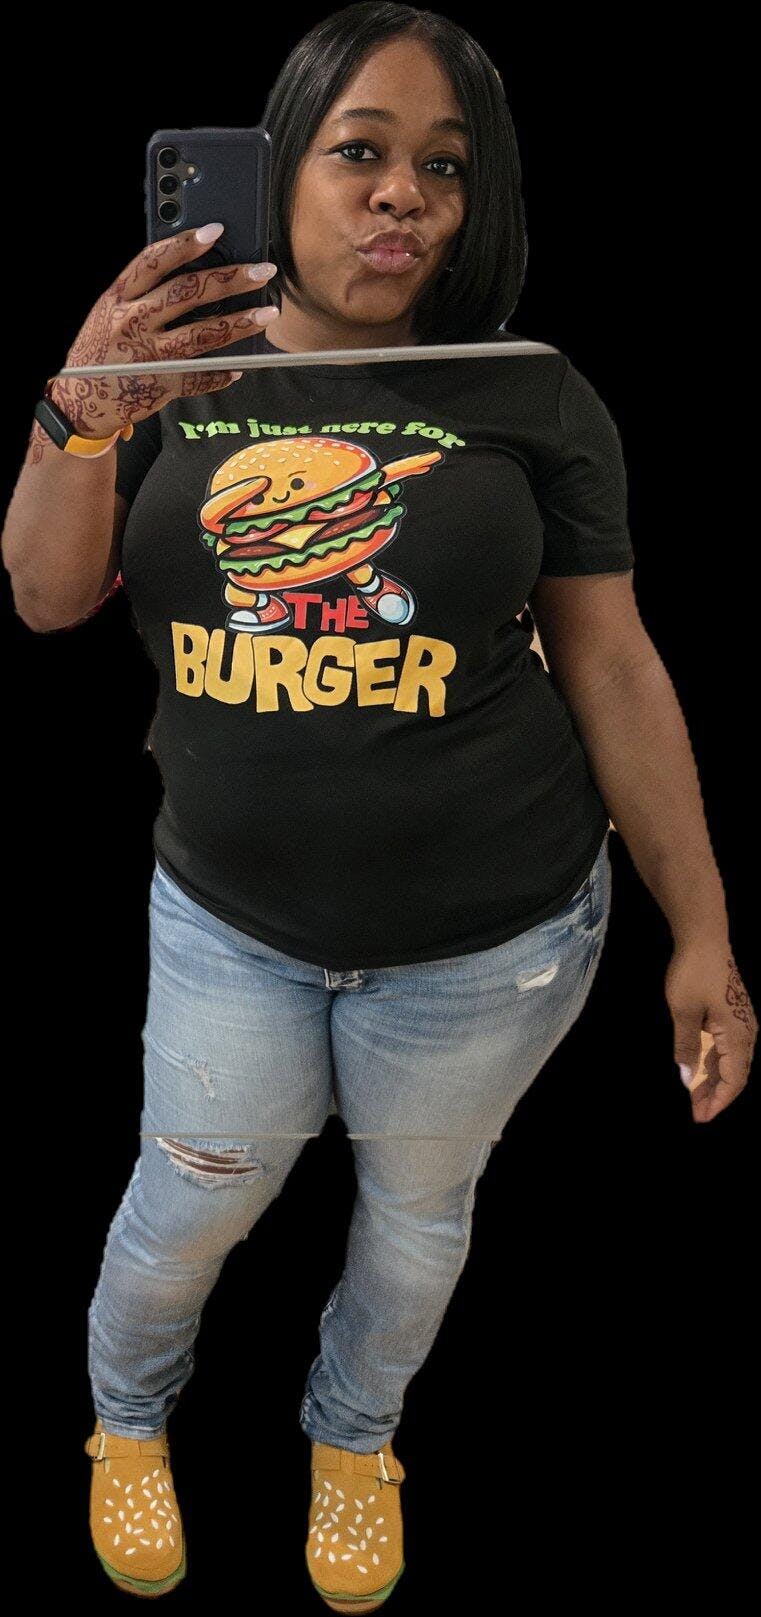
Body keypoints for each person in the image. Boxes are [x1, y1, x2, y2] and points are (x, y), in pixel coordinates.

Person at [2, 5, 755, 1608]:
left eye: (443, 166)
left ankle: (353, 1436)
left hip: (494, 941)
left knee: (415, 1219)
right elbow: (48, 596)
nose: (402, 193)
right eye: (359, 152)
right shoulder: (172, 377)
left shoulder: (530, 393)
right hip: (233, 925)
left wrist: (701, 927)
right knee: (187, 1202)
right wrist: (82, 406)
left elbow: (611, 665)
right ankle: (127, 1418)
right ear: (279, 168)